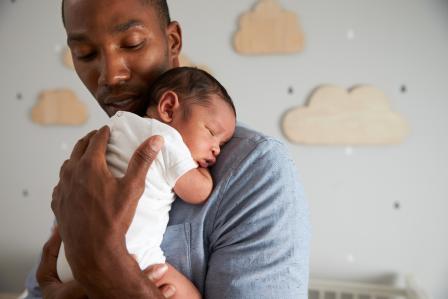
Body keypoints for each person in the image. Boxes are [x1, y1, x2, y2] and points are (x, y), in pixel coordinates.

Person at [25, 0, 310, 298]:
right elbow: (43, 284)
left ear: (172, 41)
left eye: (132, 44)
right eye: (85, 54)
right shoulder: (91, 160)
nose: (110, 76)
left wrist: (112, 271)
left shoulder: (255, 169)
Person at [56, 67, 236, 299]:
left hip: (69, 261)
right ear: (168, 108)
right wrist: (204, 172)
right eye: (211, 132)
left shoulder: (117, 125)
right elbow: (198, 192)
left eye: (222, 143)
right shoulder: (168, 140)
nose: (216, 149)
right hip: (132, 259)